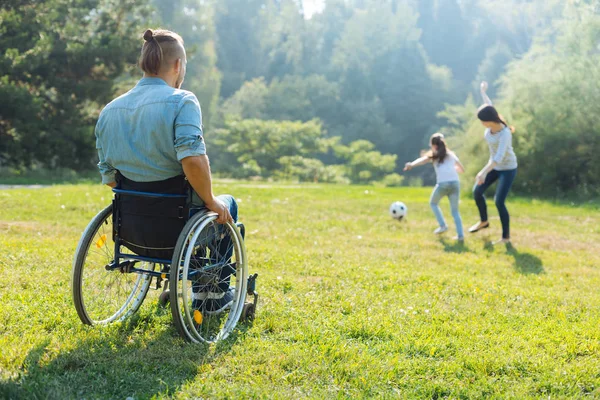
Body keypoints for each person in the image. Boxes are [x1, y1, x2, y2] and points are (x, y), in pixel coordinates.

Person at [95, 29, 236, 313]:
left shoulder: (110, 110)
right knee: (227, 203)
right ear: (178, 65)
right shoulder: (182, 101)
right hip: (177, 224)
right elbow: (193, 160)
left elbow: (109, 176)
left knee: (194, 204)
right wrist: (211, 201)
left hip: (132, 229)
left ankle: (188, 279)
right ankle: (213, 296)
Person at [468, 81, 518, 245]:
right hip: (494, 166)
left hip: (507, 168)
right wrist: (483, 91)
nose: (481, 124)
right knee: (477, 191)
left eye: (482, 121)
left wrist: (483, 172)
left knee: (499, 201)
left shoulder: (504, 134)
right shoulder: (491, 121)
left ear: (489, 120)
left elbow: (499, 157)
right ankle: (484, 221)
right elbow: (489, 105)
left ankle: (505, 238)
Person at [404, 133, 465, 241]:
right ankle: (461, 236)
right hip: (455, 183)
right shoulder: (451, 154)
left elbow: (422, 161)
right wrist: (451, 170)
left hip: (443, 184)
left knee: (433, 203)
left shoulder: (434, 155)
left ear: (433, 145)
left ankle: (443, 225)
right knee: (455, 211)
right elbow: (461, 169)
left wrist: (411, 165)